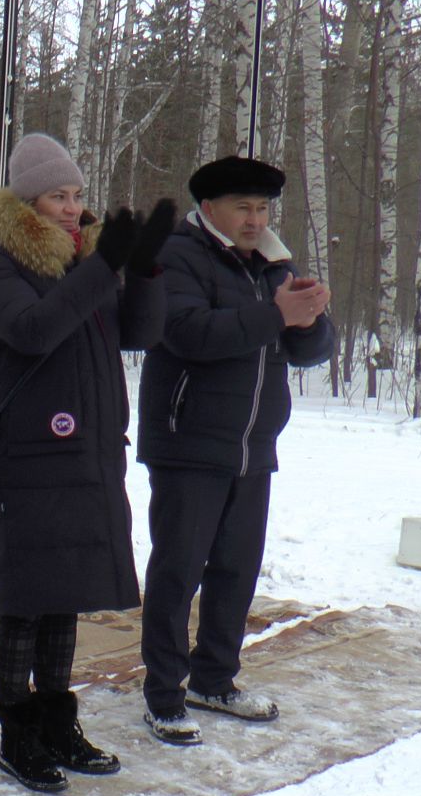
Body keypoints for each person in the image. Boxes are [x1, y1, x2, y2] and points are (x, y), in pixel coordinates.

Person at [0, 133, 174, 792]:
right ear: (28, 201)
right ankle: (17, 731)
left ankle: (58, 720)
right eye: (58, 195)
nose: (71, 206)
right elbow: (32, 331)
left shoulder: (85, 260)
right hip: (28, 456)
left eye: (78, 195)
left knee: (67, 596)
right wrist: (101, 266)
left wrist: (141, 268)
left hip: (87, 450)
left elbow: (138, 334)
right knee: (25, 600)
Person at [136, 156, 333, 747]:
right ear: (211, 208)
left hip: (253, 443)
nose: (255, 219)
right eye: (244, 208)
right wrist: (275, 314)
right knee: (178, 571)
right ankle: (164, 695)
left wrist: (309, 317)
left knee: (236, 570)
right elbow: (189, 333)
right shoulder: (176, 255)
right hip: (189, 439)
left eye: (263, 208)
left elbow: (309, 353)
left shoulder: (273, 262)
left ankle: (214, 679)